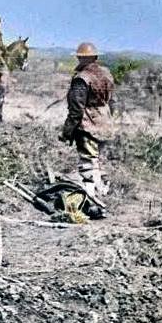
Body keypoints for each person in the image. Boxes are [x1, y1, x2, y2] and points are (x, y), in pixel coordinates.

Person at [58, 42, 115, 222]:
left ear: (81, 58)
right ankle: (99, 200)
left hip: (88, 125)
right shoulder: (106, 73)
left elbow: (76, 110)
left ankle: (92, 206)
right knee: (97, 164)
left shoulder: (82, 79)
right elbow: (111, 100)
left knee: (88, 166)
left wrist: (67, 132)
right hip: (105, 123)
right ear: (96, 57)